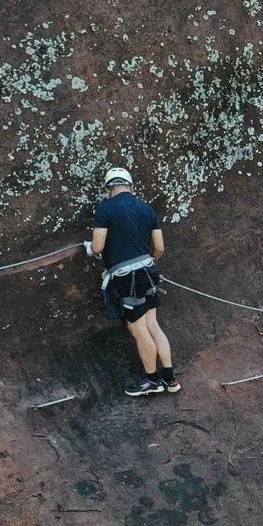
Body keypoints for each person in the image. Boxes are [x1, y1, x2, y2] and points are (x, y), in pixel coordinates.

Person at [90, 167, 176, 397]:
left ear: (108, 188)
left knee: (138, 329)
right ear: (130, 186)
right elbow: (159, 247)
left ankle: (152, 380)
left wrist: (89, 248)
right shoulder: (146, 209)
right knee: (153, 325)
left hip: (127, 278)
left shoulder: (105, 208)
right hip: (148, 270)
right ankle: (169, 377)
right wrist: (149, 262)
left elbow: (97, 247)